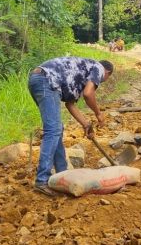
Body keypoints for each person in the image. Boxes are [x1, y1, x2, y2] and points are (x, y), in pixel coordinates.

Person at [28, 57, 114, 196]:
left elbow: (70, 105)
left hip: (39, 79)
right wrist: (98, 113)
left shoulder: (80, 74)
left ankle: (63, 174)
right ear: (107, 72)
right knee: (53, 130)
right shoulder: (98, 68)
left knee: (56, 130)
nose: (101, 82)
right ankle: (42, 180)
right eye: (106, 78)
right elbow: (88, 93)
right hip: (47, 81)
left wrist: (86, 125)